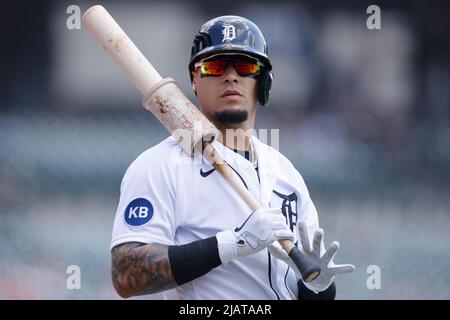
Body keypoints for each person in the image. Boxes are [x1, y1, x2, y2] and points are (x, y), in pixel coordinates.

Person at [110, 15, 354, 300]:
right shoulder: (160, 165)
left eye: (244, 66)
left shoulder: (287, 174)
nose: (230, 76)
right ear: (194, 80)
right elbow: (126, 274)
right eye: (213, 66)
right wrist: (231, 244)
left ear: (263, 81)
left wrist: (318, 286)